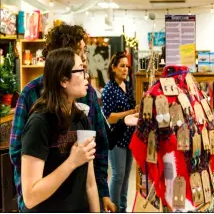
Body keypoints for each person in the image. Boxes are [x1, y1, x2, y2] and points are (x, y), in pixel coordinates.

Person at [10, 24, 116, 212]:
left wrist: (101, 194)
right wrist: (28, 200)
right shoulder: (33, 101)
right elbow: (20, 155)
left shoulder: (83, 107)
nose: (85, 61)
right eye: (81, 55)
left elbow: (97, 149)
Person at [21, 48, 99, 212]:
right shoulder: (39, 122)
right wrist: (72, 162)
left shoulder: (81, 119)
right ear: (63, 80)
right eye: (80, 70)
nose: (87, 76)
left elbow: (90, 183)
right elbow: (30, 197)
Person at [101, 52, 138, 213]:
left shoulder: (127, 86)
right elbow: (109, 118)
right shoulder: (109, 89)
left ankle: (122, 208)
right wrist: (130, 112)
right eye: (121, 66)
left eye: (126, 66)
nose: (125, 69)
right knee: (118, 175)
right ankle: (114, 209)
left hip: (129, 136)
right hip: (116, 138)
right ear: (113, 68)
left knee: (125, 177)